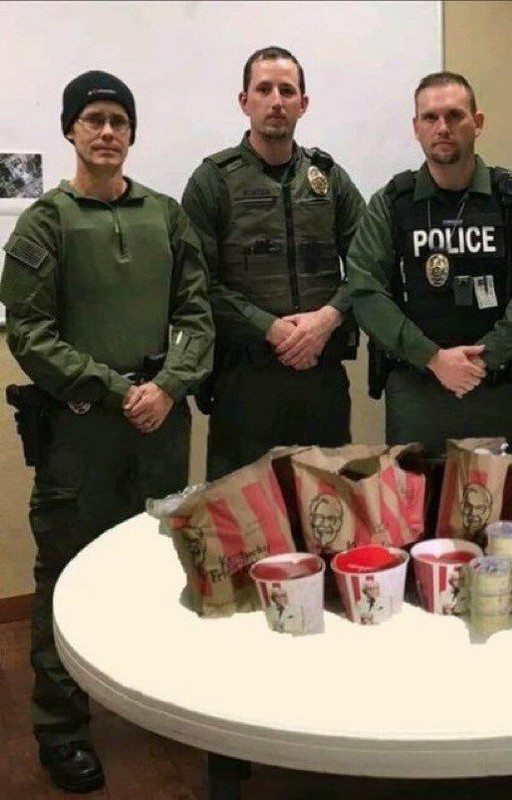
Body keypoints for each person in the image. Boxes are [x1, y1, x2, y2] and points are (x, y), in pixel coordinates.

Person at [0, 71, 213, 792]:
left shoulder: (166, 216)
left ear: (132, 133)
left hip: (161, 426)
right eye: (93, 118)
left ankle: (155, 700)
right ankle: (62, 728)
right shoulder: (45, 223)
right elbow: (30, 333)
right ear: (70, 129)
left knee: (160, 562)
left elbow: (196, 314)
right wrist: (120, 390)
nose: (107, 132)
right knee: (66, 573)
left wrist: (170, 385)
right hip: (83, 433)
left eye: (119, 120)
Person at [346, 72, 512, 457]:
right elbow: (365, 289)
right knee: (419, 494)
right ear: (416, 128)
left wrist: (487, 355)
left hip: (497, 389)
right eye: (430, 117)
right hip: (417, 393)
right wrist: (433, 357)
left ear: (477, 123)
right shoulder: (392, 203)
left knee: (501, 493)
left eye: (454, 115)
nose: (442, 127)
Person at [182, 46, 365, 480]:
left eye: (287, 90)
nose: (276, 101)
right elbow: (196, 284)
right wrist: (269, 327)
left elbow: (369, 267)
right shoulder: (212, 181)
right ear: (244, 101)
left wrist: (327, 319)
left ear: (303, 103)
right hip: (244, 382)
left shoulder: (331, 179)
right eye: (264, 89)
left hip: (321, 378)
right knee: (242, 514)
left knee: (326, 507)